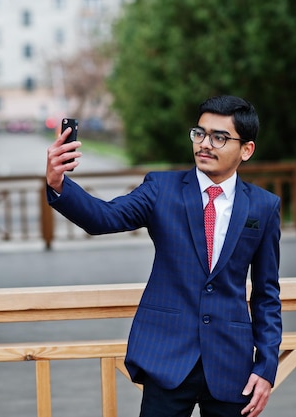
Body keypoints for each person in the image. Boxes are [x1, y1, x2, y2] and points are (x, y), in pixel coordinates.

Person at [45, 95, 282, 417]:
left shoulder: (263, 206)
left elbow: (267, 294)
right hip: (167, 358)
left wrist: (266, 366)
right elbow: (104, 218)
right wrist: (59, 183)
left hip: (232, 364)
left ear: (246, 150)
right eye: (199, 133)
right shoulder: (161, 188)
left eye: (219, 137)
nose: (205, 144)